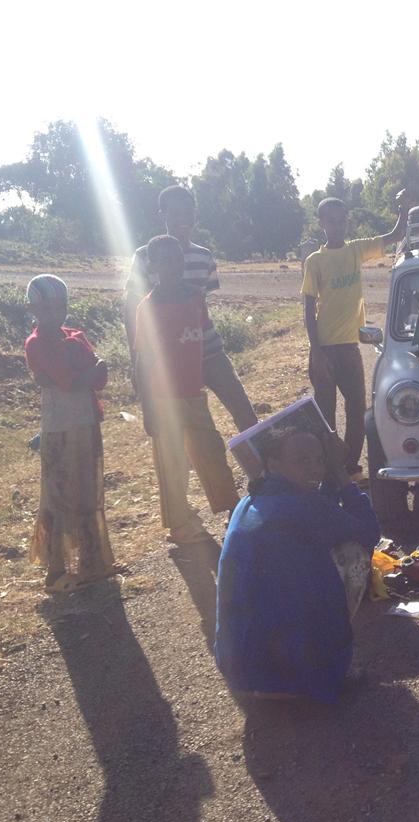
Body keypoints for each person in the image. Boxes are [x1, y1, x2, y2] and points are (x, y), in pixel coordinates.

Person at [215, 424, 381, 702]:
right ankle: (317, 672)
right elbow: (369, 532)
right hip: (287, 669)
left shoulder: (251, 501)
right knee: (355, 551)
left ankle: (281, 677)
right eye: (302, 461)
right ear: (273, 464)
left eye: (319, 460)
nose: (315, 469)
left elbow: (321, 513)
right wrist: (341, 474)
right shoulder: (303, 506)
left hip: (240, 665)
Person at [124, 185, 257, 432]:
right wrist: (138, 362)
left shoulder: (204, 257)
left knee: (245, 413)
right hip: (168, 358)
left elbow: (201, 305)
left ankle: (263, 469)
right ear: (162, 215)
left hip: (208, 350)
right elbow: (132, 308)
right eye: (175, 213)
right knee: (173, 430)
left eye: (188, 213)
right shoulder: (146, 257)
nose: (183, 220)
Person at [134, 235, 240, 544]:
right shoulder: (148, 308)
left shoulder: (195, 296)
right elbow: (144, 361)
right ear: (153, 266)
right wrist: (148, 409)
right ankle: (179, 523)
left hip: (194, 394)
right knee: (172, 463)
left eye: (178, 258)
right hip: (163, 399)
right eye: (165, 260)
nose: (174, 265)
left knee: (211, 450)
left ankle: (231, 507)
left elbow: (203, 343)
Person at [302, 190, 410, 475]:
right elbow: (308, 309)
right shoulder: (314, 262)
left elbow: (396, 235)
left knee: (357, 411)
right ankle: (327, 469)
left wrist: (403, 207)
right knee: (326, 416)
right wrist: (316, 351)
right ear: (322, 223)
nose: (338, 226)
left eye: (342, 221)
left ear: (347, 223)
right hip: (324, 349)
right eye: (332, 221)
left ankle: (350, 467)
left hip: (350, 348)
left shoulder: (356, 250)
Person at [23, 274, 116, 593]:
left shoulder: (74, 336)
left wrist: (85, 374)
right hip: (60, 431)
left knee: (89, 493)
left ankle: (91, 565)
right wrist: (87, 372)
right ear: (33, 308)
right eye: (47, 307)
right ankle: (56, 571)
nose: (55, 313)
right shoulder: (36, 343)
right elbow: (74, 380)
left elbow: (97, 377)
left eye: (60, 306)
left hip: (85, 425)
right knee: (59, 499)